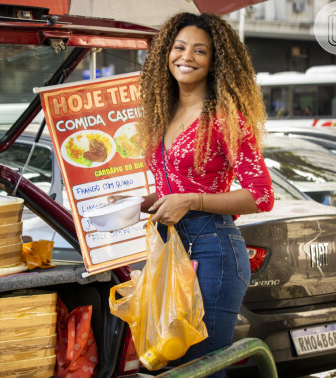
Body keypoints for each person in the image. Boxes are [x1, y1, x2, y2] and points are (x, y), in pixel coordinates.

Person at [110, 13, 274, 376]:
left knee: (202, 368)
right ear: (165, 54)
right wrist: (143, 202)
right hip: (172, 249)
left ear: (216, 62)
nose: (187, 56)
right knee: (166, 365)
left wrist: (191, 201)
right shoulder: (163, 113)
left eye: (201, 51)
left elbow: (261, 195)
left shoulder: (226, 119)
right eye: (179, 47)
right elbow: (179, 185)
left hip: (214, 250)